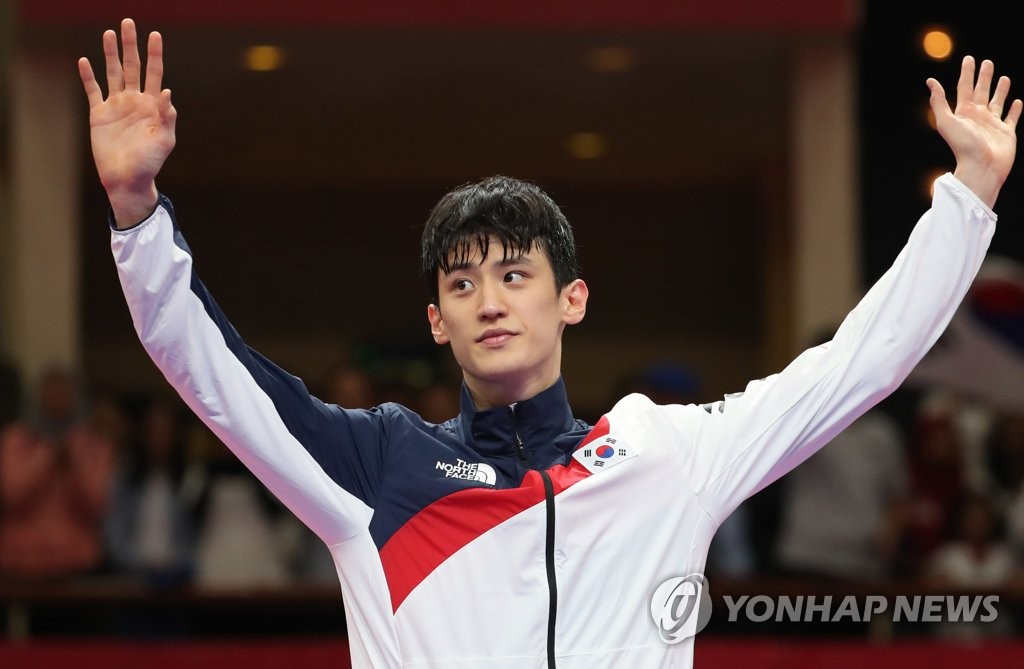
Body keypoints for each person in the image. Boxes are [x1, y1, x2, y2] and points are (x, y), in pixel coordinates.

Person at [78, 18, 1019, 669]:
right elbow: (213, 373)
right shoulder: (377, 467)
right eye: (461, 285)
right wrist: (135, 209)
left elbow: (856, 366)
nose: (489, 302)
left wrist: (966, 200)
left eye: (514, 275)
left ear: (573, 298)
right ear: (437, 322)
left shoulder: (667, 455)